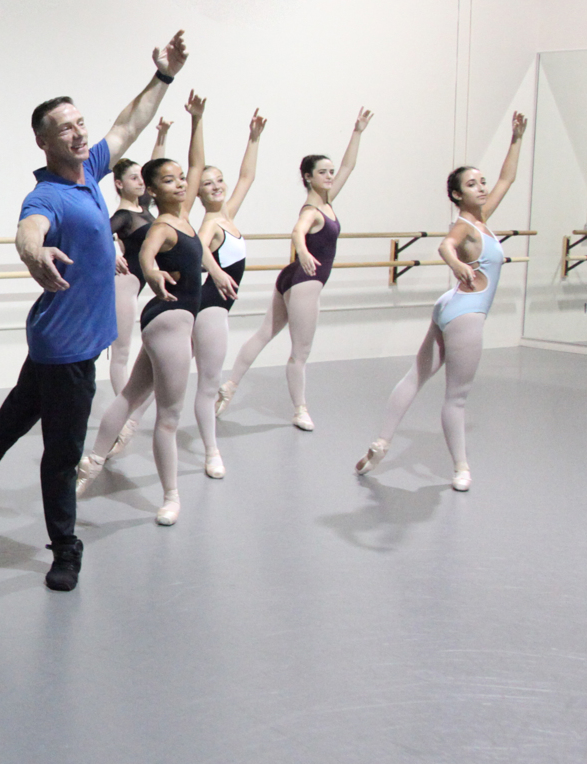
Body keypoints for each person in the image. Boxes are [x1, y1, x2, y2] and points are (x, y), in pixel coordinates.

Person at [0, 31, 188, 592]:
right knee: (62, 453)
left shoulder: (91, 172)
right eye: (65, 128)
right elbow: (28, 233)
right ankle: (65, 550)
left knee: (4, 428)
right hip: (67, 350)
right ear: (42, 142)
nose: (79, 133)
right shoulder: (46, 195)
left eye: (80, 123)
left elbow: (129, 124)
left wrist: (164, 76)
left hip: (58, 341)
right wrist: (34, 251)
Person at [356, 112, 526, 492]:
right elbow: (445, 244)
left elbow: (507, 179)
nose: (482, 187)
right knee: (457, 398)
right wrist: (456, 264)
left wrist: (515, 138)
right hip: (466, 314)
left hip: (450, 305)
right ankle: (461, 468)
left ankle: (381, 444)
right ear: (456, 194)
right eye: (472, 184)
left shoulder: (482, 220)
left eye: (481, 182)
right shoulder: (465, 225)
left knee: (416, 375)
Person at [75, 92, 210, 525]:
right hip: (170, 322)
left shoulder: (185, 215)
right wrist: (148, 272)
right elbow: (148, 253)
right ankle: (171, 497)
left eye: (180, 180)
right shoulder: (164, 225)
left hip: (168, 321)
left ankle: (91, 463)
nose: (181, 183)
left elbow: (196, 166)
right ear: (152, 191)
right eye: (169, 181)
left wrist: (196, 122)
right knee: (168, 417)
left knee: (132, 395)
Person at [218, 108, 374, 430]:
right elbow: (297, 229)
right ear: (308, 177)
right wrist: (302, 250)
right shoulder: (313, 209)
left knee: (265, 333)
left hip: (292, 277)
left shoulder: (327, 201)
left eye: (331, 172)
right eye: (323, 173)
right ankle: (300, 409)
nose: (330, 176)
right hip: (305, 281)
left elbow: (349, 166)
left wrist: (357, 132)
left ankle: (229, 387)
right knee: (300, 352)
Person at [188, 109, 263, 474]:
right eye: (208, 184)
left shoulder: (227, 213)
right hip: (210, 308)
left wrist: (254, 137)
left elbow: (247, 177)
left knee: (165, 381)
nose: (218, 186)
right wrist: (215, 271)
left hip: (215, 308)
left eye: (219, 181)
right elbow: (198, 247)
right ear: (198, 194)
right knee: (209, 384)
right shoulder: (210, 221)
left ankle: (126, 426)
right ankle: (211, 452)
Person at [99, 118, 168, 455]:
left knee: (139, 354)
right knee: (121, 353)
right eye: (134, 178)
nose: (141, 182)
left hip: (139, 285)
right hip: (123, 285)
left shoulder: (147, 209)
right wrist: (112, 249)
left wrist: (162, 135)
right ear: (118, 184)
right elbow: (98, 231)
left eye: (143, 178)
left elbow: (156, 171)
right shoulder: (124, 215)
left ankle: (125, 415)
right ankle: (123, 416)